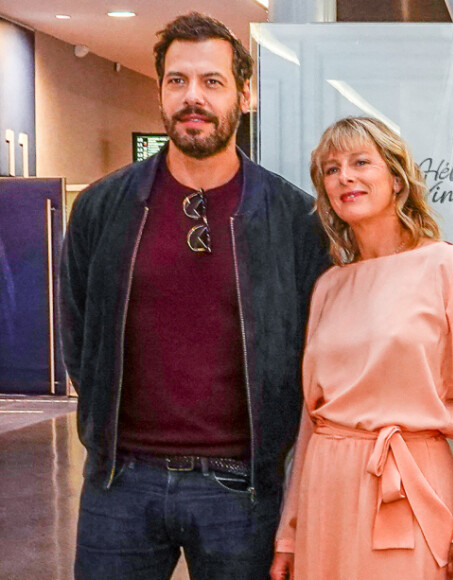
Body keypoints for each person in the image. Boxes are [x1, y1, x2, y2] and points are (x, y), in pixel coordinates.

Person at [59, 12, 328, 580]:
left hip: (244, 489)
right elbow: (79, 334)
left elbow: (314, 350)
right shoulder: (102, 209)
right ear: (160, 91)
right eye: (177, 81)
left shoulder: (293, 219)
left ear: (244, 94)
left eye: (212, 81)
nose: (193, 97)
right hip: (119, 485)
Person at [270, 116, 453, 580]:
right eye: (331, 169)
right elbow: (310, 421)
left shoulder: (448, 267)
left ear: (396, 179)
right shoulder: (329, 286)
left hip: (409, 487)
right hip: (326, 494)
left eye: (361, 162)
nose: (345, 177)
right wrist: (290, 532)